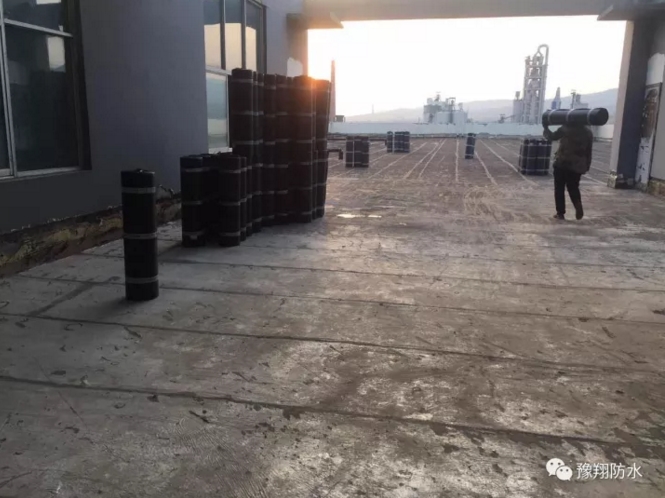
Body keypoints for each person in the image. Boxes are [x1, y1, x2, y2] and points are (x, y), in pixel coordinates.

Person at [543, 122, 594, 220]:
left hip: (563, 162)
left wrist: (546, 128)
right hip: (578, 164)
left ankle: (560, 213)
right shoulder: (588, 132)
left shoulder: (565, 128)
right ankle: (577, 204)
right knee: (573, 187)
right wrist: (587, 165)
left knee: (559, 188)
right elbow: (589, 150)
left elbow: (552, 137)